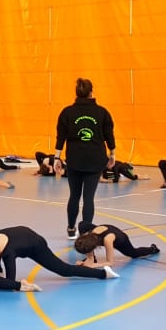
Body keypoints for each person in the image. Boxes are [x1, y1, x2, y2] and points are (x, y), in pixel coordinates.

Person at [55, 77, 114, 239]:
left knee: (74, 195)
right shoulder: (102, 112)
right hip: (95, 159)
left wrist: (56, 158)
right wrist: (112, 154)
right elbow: (109, 135)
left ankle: (71, 228)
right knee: (88, 198)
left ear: (77, 93)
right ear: (91, 92)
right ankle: (86, 232)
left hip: (74, 159)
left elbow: (61, 137)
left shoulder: (67, 112)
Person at [0, 226, 117, 281]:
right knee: (1, 258)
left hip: (36, 244)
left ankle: (103, 274)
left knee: (64, 270)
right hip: (22, 233)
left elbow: (11, 281)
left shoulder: (8, 254)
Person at [74, 224, 160, 266]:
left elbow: (110, 263)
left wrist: (94, 265)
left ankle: (153, 249)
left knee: (133, 253)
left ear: (94, 246)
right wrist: (87, 261)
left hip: (120, 239)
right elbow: (90, 257)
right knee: (82, 224)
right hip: (106, 232)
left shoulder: (107, 240)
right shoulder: (87, 236)